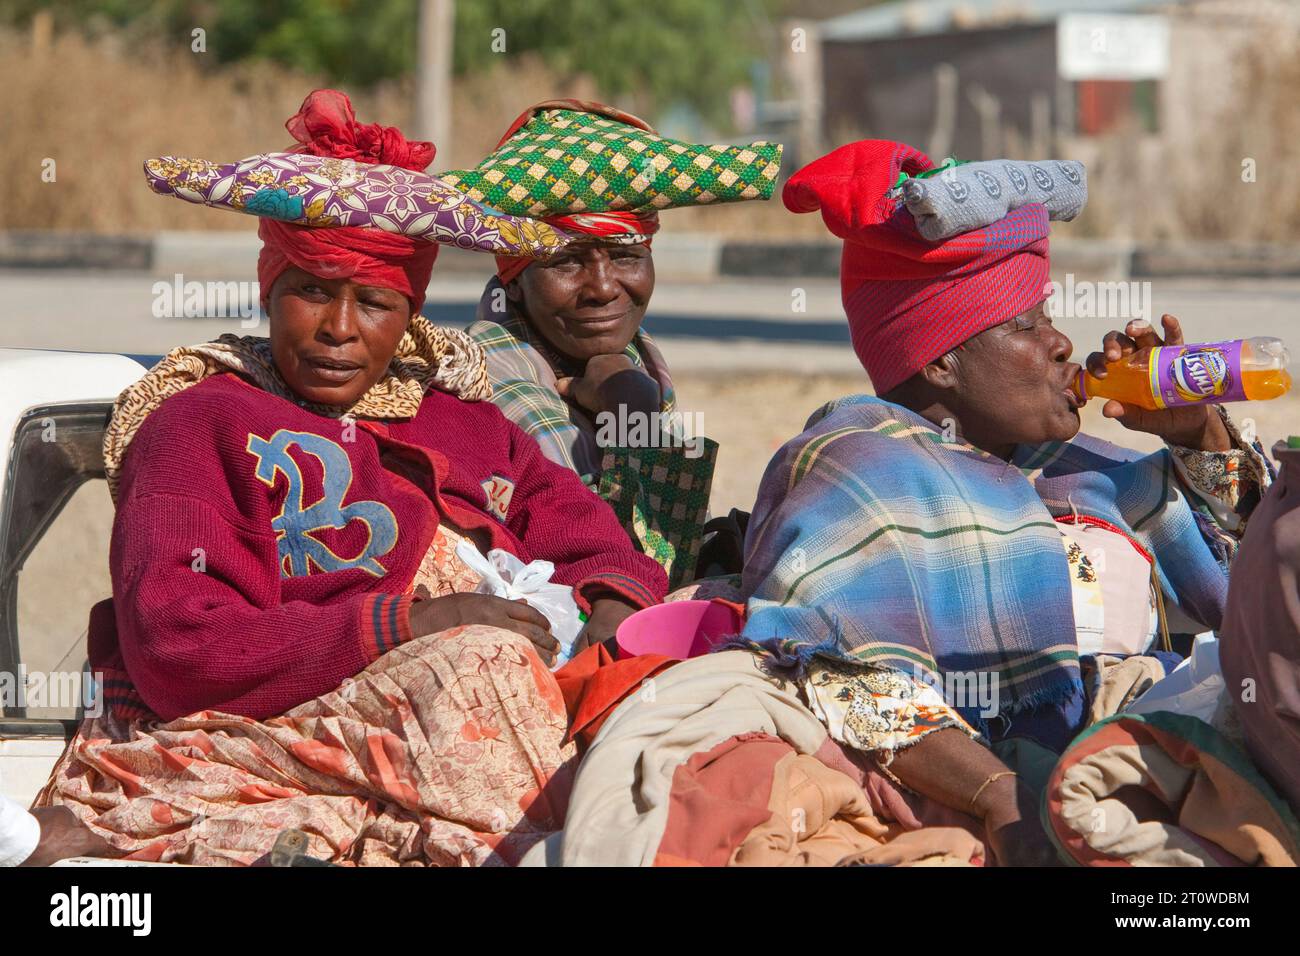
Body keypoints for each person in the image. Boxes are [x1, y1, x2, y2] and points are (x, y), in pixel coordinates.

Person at [32, 91, 667, 867]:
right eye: (311, 291)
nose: (338, 329)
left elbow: (570, 517)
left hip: (507, 704)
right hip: (286, 720)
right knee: (484, 667)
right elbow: (179, 647)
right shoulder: (199, 425)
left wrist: (613, 601)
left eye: (373, 302)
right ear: (269, 289)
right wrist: (409, 624)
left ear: (411, 319)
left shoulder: (456, 418)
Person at [736, 140, 1272, 865]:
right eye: (1024, 326)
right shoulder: (859, 468)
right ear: (940, 360)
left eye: (1048, 317)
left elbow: (1259, 598)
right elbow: (835, 673)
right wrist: (1000, 794)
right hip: (1007, 805)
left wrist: (1196, 441)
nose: (1062, 346)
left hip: (1135, 768)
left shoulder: (1081, 469)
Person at [445, 101, 783, 586]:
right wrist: (631, 412)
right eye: (567, 263)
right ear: (514, 281)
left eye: (625, 256)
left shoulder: (630, 359)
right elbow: (643, 561)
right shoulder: (490, 375)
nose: (603, 287)